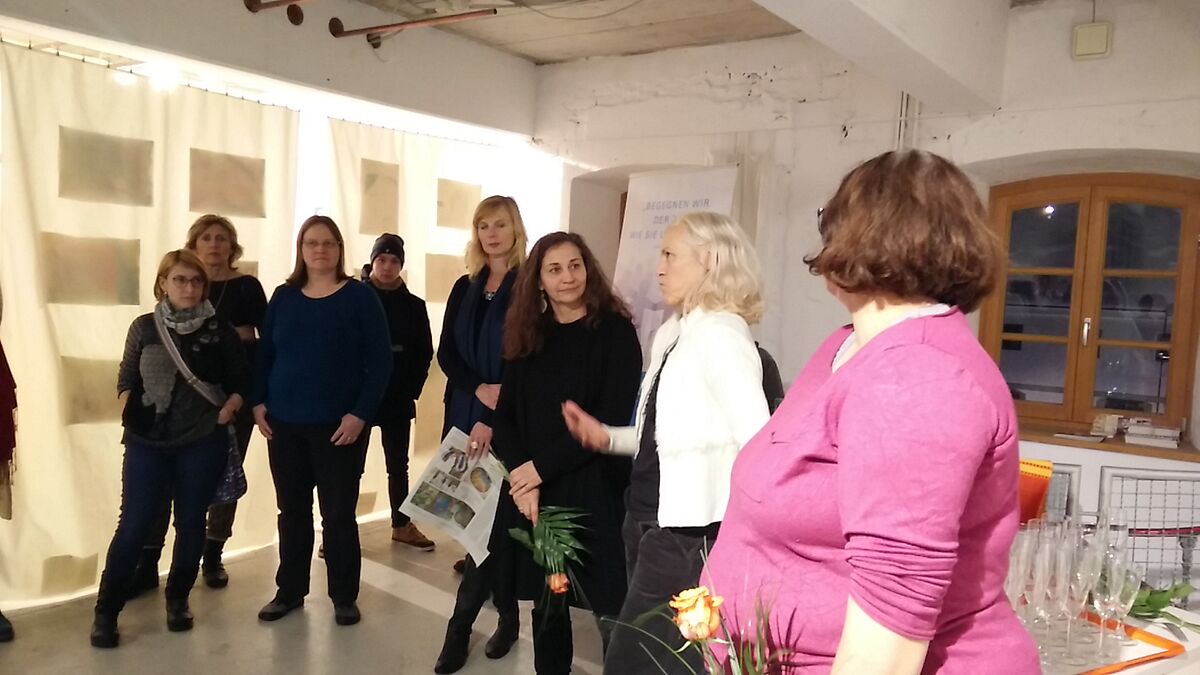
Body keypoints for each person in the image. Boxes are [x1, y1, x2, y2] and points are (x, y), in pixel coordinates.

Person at [702, 150, 1040, 674]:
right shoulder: (851, 344)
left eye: (831, 223)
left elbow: (893, 621)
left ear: (861, 236)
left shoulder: (918, 376)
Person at [561, 212, 770, 675]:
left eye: (670, 255)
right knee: (667, 660)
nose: (659, 268)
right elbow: (664, 435)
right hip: (644, 517)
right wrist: (606, 437)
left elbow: (759, 443)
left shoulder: (721, 335)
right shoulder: (676, 331)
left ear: (709, 260)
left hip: (686, 533)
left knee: (632, 661)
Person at [494, 232, 642, 675]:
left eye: (575, 265)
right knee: (549, 602)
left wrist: (536, 471)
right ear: (538, 280)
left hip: (598, 488)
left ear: (588, 269)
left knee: (611, 604)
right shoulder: (528, 333)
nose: (568, 277)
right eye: (554, 269)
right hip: (541, 495)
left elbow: (607, 418)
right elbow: (506, 418)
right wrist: (523, 479)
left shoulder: (615, 332)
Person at [91, 249, 250, 648]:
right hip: (147, 443)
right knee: (133, 525)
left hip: (202, 441)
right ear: (163, 282)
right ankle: (106, 611)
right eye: (180, 279)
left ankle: (178, 599)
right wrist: (131, 409)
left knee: (191, 522)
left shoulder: (219, 329)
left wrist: (229, 409)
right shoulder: (144, 327)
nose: (189, 288)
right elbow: (126, 377)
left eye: (196, 281)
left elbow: (242, 380)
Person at [251, 215, 391, 627]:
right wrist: (257, 401)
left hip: (339, 428)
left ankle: (343, 596)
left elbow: (380, 362)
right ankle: (290, 591)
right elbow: (265, 354)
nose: (320, 250)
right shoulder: (284, 297)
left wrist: (360, 414)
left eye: (328, 243)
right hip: (284, 425)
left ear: (339, 249)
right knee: (292, 512)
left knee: (338, 515)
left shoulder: (360, 298)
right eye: (311, 242)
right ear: (301, 249)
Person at [126, 215, 268, 597]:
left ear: (232, 246)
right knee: (163, 485)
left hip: (229, 398)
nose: (214, 244)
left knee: (223, 478)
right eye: (206, 237)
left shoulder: (246, 286)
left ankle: (213, 555)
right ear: (193, 244)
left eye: (222, 238)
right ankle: (148, 562)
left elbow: (267, 337)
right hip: (173, 403)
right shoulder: (182, 282)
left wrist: (241, 345)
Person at [434, 195, 527, 674]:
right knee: (485, 524)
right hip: (465, 410)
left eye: (500, 224)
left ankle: (459, 630)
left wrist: (494, 410)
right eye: (484, 225)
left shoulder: (529, 286)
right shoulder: (464, 285)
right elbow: (446, 352)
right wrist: (477, 389)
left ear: (515, 229)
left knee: (485, 529)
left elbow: (528, 355)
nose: (492, 234)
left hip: (506, 419)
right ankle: (508, 617)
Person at [362, 233, 436, 550]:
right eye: (381, 259)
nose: (387, 266)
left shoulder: (414, 306)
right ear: (372, 262)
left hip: (397, 398)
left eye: (394, 260)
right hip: (359, 399)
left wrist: (411, 390)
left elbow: (424, 352)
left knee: (398, 466)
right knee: (350, 467)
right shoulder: (356, 298)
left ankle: (401, 524)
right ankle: (339, 529)